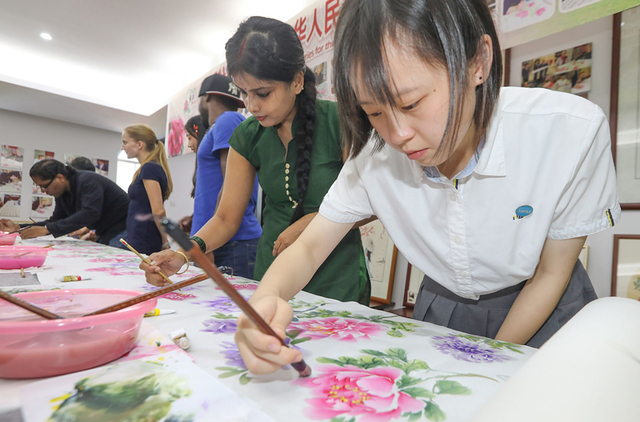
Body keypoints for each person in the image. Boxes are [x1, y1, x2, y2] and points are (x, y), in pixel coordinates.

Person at [233, 0, 620, 374]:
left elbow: (551, 273)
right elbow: (310, 245)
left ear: (478, 63)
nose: (398, 135)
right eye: (374, 113)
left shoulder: (569, 132)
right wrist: (266, 301)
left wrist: (493, 361)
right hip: (444, 307)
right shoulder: (375, 155)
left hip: (546, 308)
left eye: (413, 103)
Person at [142, 16, 371, 304]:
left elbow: (372, 204)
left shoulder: (341, 123)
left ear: (297, 81)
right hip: (274, 269)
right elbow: (226, 219)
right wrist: (183, 253)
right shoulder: (247, 136)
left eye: (263, 93)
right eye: (244, 93)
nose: (252, 106)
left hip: (337, 275)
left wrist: (307, 225)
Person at [188, 74, 262, 276]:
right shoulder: (223, 124)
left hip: (230, 243)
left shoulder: (228, 120)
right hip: (225, 242)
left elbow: (231, 182)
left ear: (208, 97)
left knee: (231, 308)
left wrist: (209, 242)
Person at [0, 159, 129, 245]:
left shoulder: (88, 180)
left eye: (44, 186)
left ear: (60, 178)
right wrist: (18, 227)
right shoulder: (62, 193)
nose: (43, 191)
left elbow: (90, 213)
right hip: (106, 231)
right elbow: (54, 221)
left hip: (125, 229)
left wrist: (46, 229)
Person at [120, 124, 173, 255]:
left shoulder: (149, 168)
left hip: (145, 238)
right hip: (140, 236)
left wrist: (165, 241)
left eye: (125, 142)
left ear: (139, 144)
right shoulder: (148, 168)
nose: (123, 147)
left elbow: (158, 210)